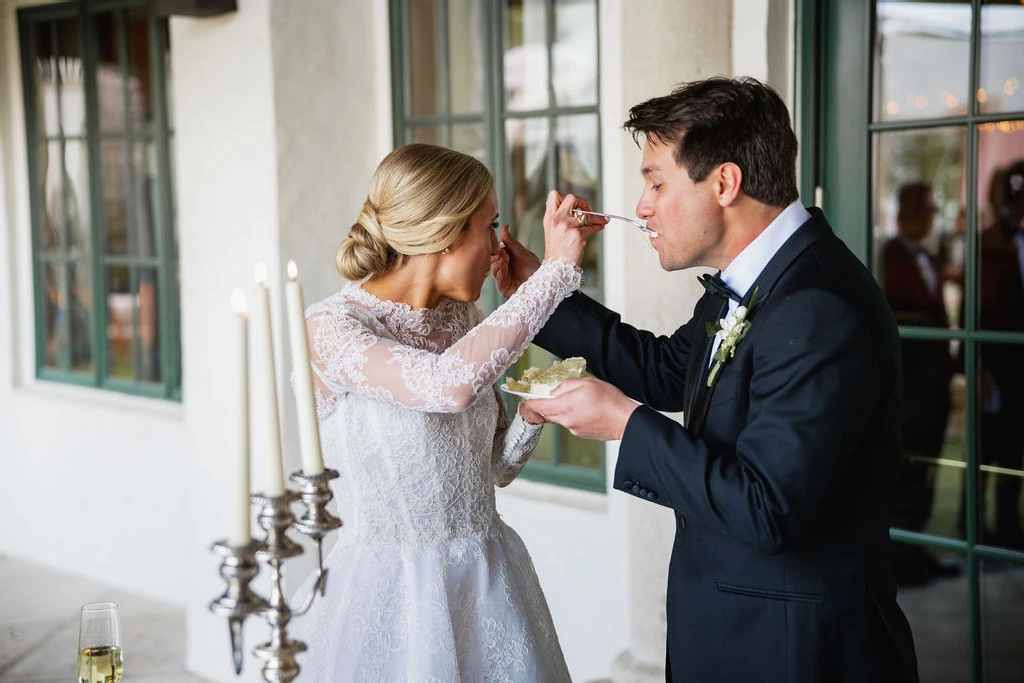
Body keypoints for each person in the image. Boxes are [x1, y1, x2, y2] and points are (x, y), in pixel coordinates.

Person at [493, 77, 919, 683]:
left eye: (656, 182)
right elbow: (666, 370)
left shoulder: (816, 305)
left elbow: (767, 507)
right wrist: (543, 294)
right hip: (740, 634)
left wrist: (623, 422)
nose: (642, 205)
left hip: (794, 651)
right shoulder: (758, 278)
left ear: (724, 182)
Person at [289, 143, 602, 681]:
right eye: (491, 224)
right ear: (446, 232)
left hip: (488, 583)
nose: (498, 245)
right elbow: (445, 387)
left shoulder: (463, 317)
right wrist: (552, 275)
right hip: (388, 598)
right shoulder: (330, 330)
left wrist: (530, 416)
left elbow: (496, 470)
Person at [880, 182, 959, 583]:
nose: (931, 216)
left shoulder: (928, 256)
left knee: (928, 465)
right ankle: (901, 556)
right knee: (908, 466)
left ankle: (916, 549)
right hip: (910, 383)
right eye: (926, 208)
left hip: (934, 381)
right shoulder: (890, 256)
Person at [975, 159, 1024, 548]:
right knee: (985, 448)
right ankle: (975, 525)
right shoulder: (989, 241)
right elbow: (982, 308)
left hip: (1018, 363)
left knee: (1014, 448)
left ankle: (1008, 524)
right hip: (994, 360)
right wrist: (978, 367)